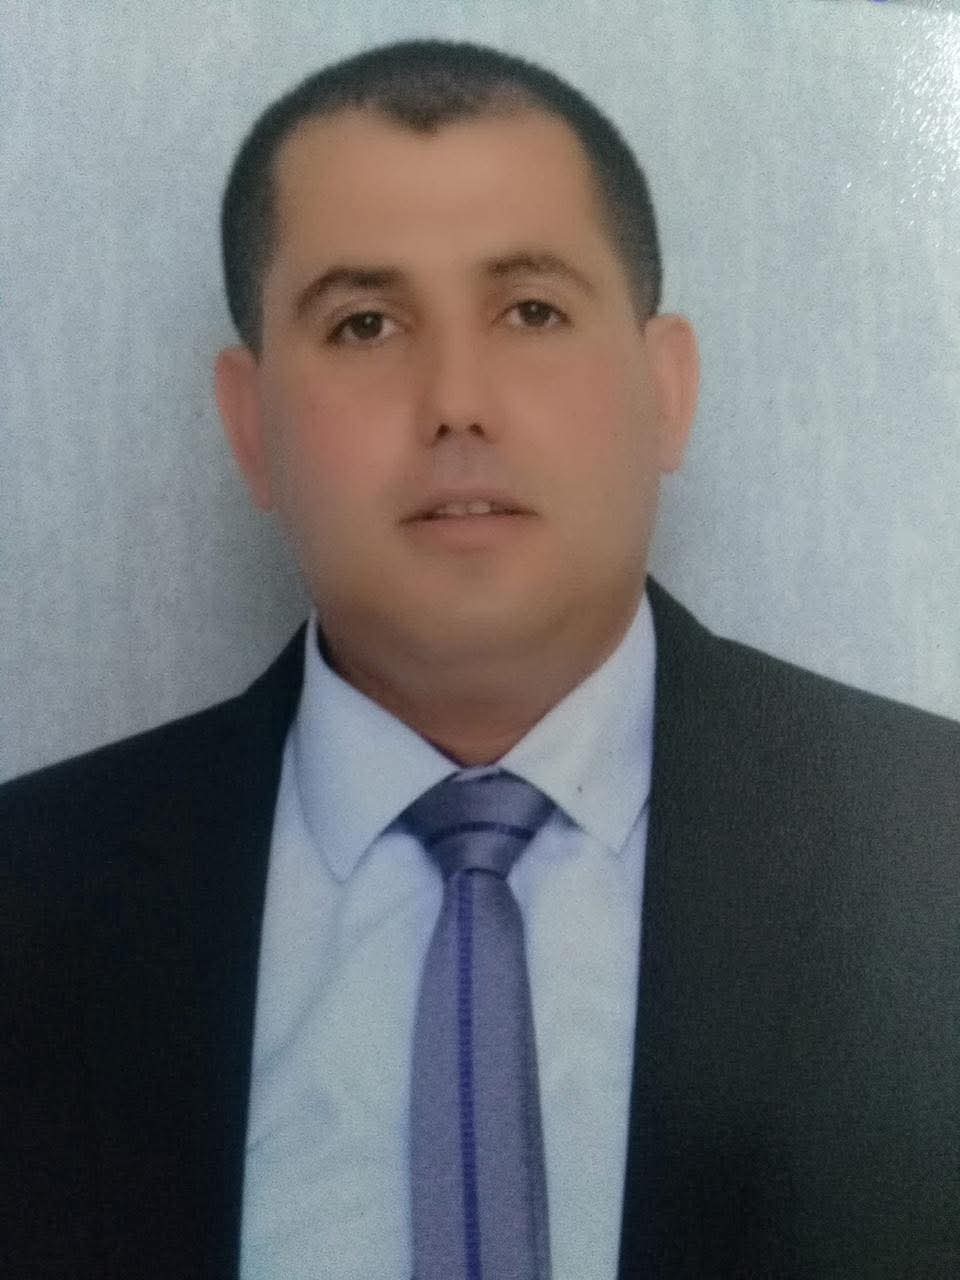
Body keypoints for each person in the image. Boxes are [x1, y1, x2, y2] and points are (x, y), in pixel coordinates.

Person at [1, 37, 957, 1280]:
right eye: (364, 323)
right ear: (249, 424)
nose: (457, 398)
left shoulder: (930, 847)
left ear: (667, 388)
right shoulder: (30, 902)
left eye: (532, 310)